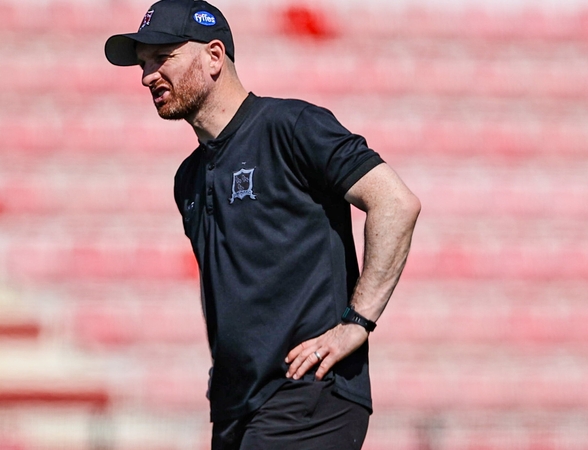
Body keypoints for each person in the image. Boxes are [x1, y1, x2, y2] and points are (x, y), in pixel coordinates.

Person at [105, 1, 421, 448]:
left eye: (163, 58)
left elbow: (395, 202)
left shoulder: (291, 126)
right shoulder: (188, 177)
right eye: (142, 64)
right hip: (236, 409)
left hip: (309, 393)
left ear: (214, 56)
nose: (147, 76)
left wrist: (357, 322)